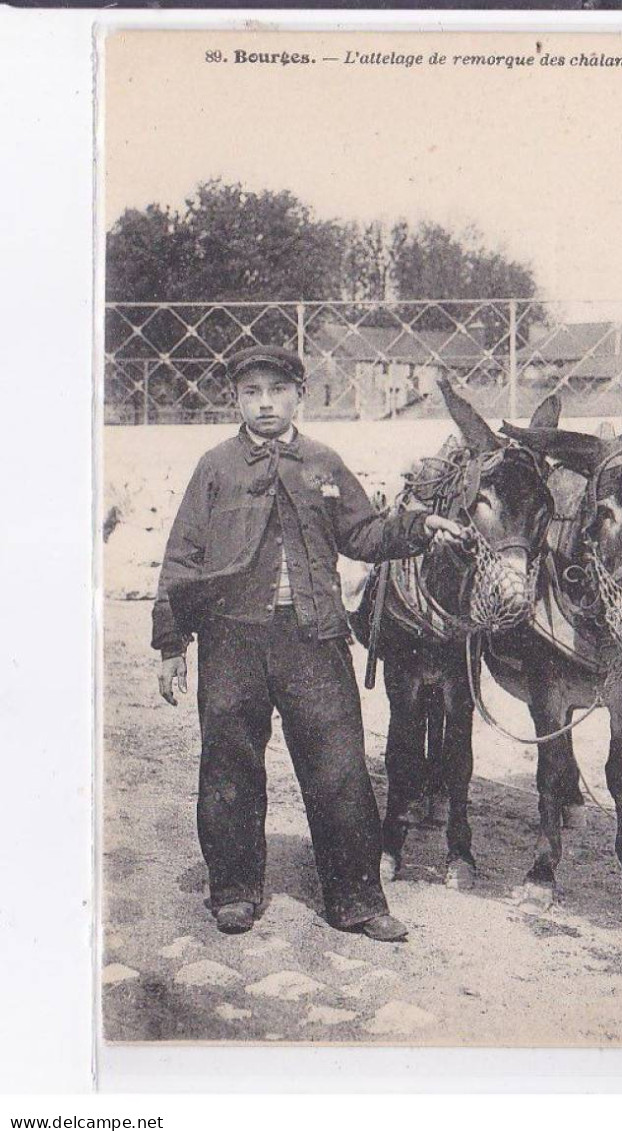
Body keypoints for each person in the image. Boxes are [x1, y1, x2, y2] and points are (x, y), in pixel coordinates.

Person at [152, 345, 464, 939]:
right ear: (236, 400)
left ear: (299, 394)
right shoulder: (215, 467)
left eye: (276, 389)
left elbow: (364, 533)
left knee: (339, 768)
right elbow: (181, 559)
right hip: (231, 640)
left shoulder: (323, 463)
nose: (264, 402)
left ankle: (357, 901)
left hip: (314, 638)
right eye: (251, 392)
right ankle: (235, 890)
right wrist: (172, 646)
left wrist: (419, 527)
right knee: (229, 765)